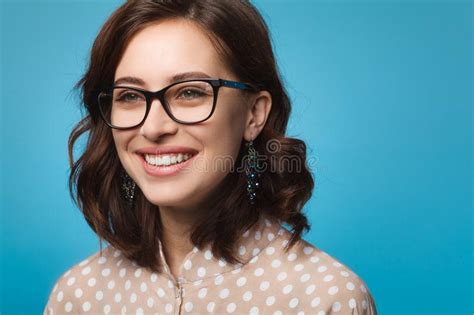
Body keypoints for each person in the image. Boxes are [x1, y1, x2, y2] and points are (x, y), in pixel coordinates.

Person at [43, 0, 377, 314]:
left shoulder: (326, 300)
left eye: (190, 92)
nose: (153, 127)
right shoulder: (76, 296)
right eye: (130, 95)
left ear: (254, 114)